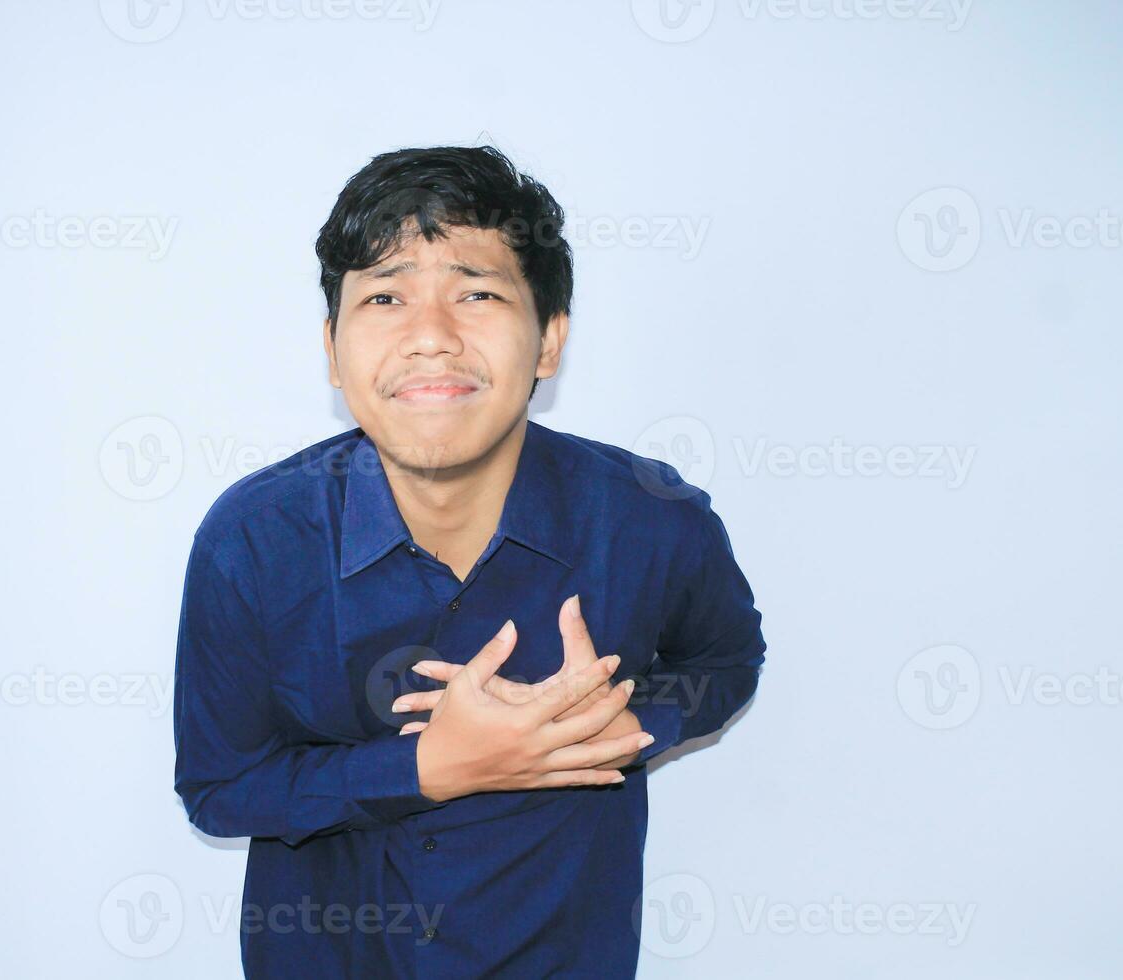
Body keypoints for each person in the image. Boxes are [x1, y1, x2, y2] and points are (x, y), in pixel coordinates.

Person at [172, 144, 767, 978]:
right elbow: (219, 788)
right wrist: (428, 768)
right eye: (385, 296)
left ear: (549, 340)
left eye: (476, 293)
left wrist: (617, 725)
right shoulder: (254, 538)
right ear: (334, 350)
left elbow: (727, 660)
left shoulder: (650, 517)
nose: (430, 338)